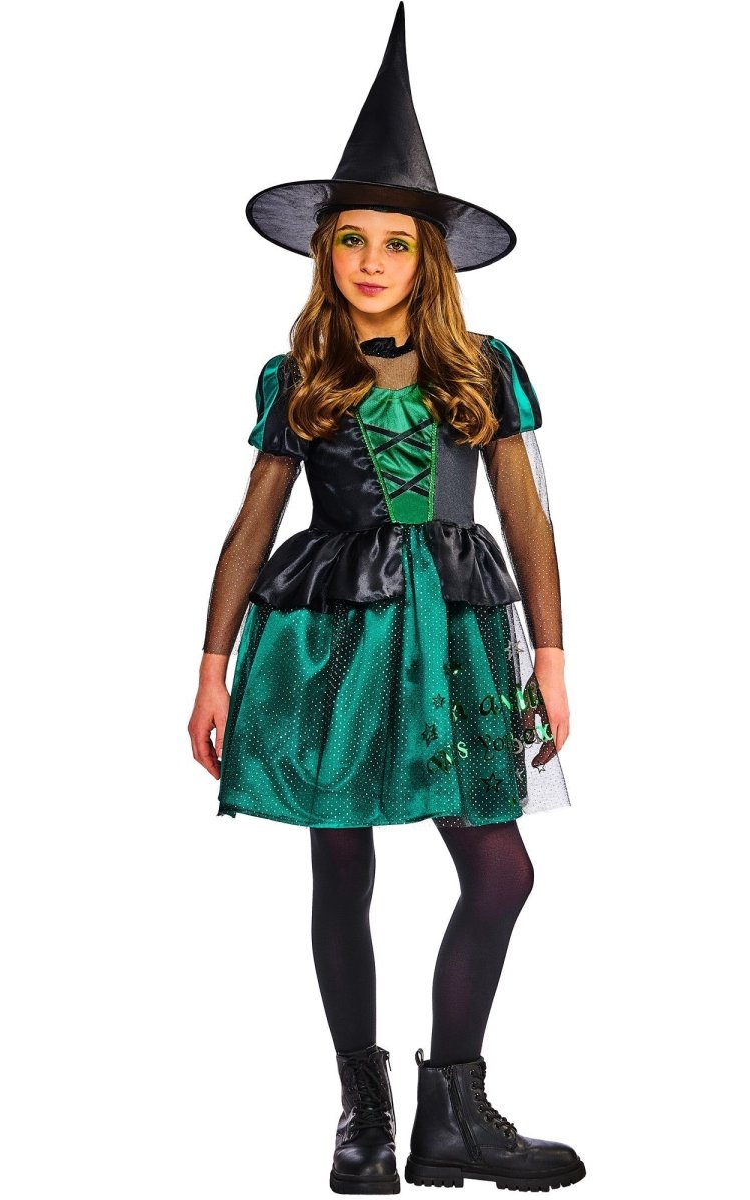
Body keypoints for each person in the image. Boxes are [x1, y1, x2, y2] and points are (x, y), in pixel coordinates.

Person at [187, 4, 585, 1193]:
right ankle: (362, 1113)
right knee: (341, 869)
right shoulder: (299, 374)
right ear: (327, 254)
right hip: (331, 640)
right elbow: (253, 526)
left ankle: (451, 1110)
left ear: (428, 259)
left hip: (455, 639)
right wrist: (211, 667)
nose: (370, 261)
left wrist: (550, 657)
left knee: (501, 870)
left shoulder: (483, 368)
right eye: (351, 240)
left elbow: (527, 519)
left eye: (395, 243)